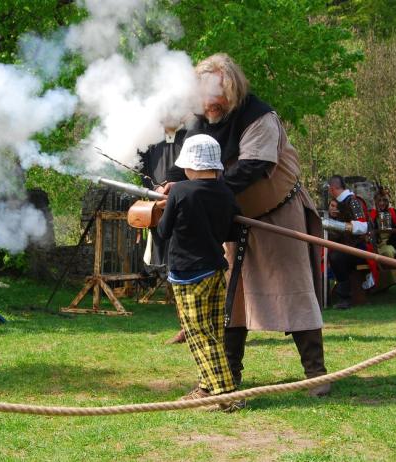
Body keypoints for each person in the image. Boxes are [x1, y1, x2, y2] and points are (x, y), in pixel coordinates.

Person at [184, 53, 329, 397]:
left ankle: (316, 375)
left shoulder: (259, 117)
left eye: (215, 94)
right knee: (231, 300)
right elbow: (186, 161)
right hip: (234, 218)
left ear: (231, 89)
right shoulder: (200, 118)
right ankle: (228, 377)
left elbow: (252, 167)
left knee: (295, 292)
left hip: (278, 214)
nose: (209, 103)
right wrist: (174, 185)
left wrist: (205, 194)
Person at [155, 134, 242, 411]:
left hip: (187, 274)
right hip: (216, 270)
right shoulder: (226, 192)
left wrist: (161, 208)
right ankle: (207, 387)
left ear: (190, 165)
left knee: (198, 335)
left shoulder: (180, 191)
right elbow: (232, 232)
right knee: (213, 333)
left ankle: (226, 395)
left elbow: (163, 231)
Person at [139, 125, 188, 344]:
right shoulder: (149, 138)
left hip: (188, 207)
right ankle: (184, 327)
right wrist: (154, 190)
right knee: (171, 268)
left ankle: (193, 327)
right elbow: (143, 171)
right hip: (160, 207)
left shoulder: (192, 134)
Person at [323, 175, 372, 308]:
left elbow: (363, 227)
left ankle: (345, 298)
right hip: (347, 246)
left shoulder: (353, 201)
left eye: (329, 189)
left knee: (337, 257)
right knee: (332, 255)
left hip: (360, 248)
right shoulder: (338, 202)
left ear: (332, 189)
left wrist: (337, 225)